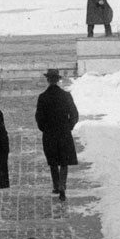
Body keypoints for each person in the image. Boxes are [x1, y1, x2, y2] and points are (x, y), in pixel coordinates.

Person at [35, 67, 80, 201]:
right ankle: (62, 184)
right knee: (64, 161)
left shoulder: (43, 97)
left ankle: (56, 184)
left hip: (50, 133)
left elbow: (39, 117)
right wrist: (68, 126)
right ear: (58, 80)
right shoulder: (66, 96)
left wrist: (45, 128)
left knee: (53, 160)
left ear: (48, 80)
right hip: (64, 132)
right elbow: (74, 114)